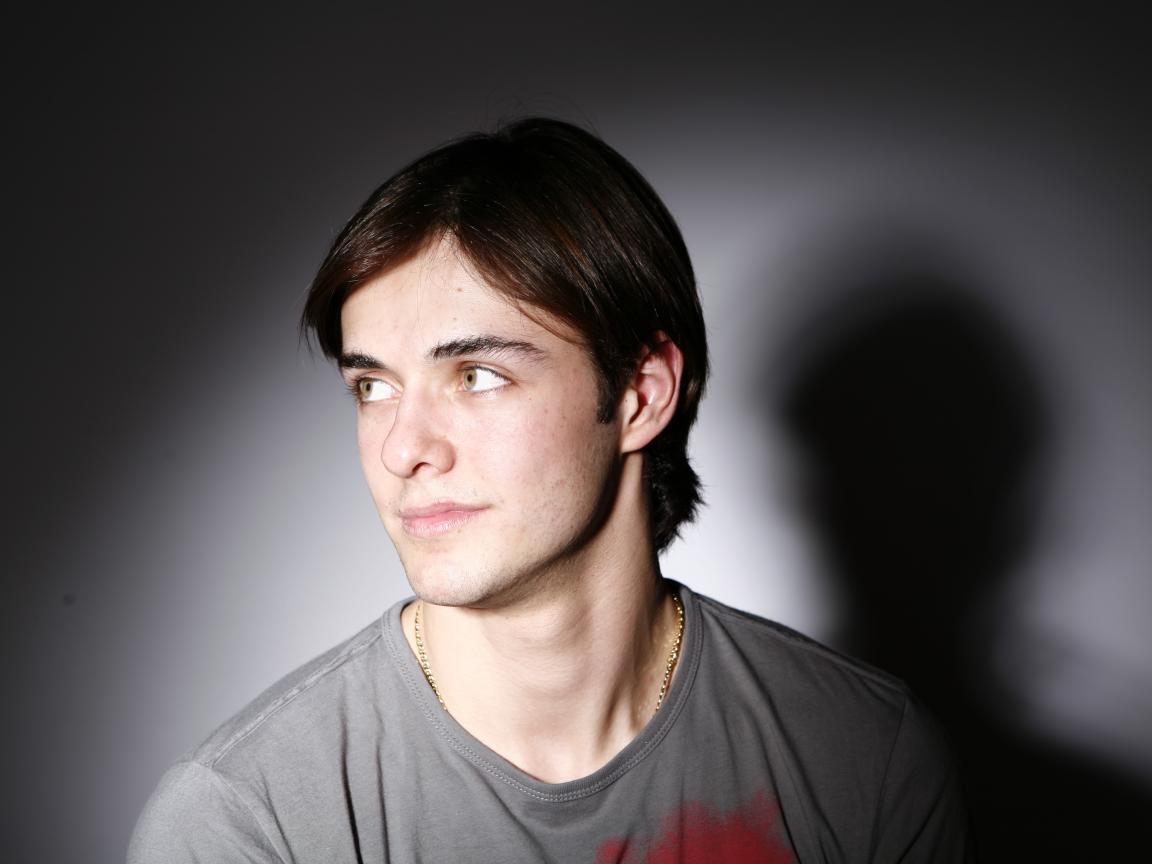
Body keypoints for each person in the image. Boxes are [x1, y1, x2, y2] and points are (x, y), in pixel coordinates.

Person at [128, 118, 972, 863]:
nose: (402, 449)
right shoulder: (247, 820)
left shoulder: (865, 759)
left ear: (640, 394)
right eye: (373, 387)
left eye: (477, 375)